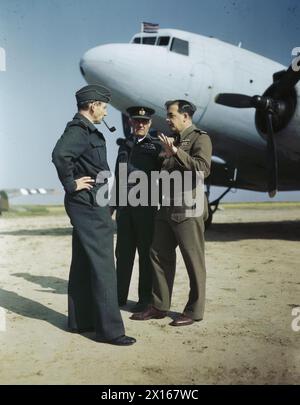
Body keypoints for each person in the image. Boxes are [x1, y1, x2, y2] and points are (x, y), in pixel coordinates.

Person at [52, 84, 136, 345]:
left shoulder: (84, 129)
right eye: (103, 106)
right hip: (88, 204)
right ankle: (110, 331)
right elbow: (59, 155)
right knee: (103, 266)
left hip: (87, 203)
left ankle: (80, 321)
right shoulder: (80, 130)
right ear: (92, 105)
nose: (105, 111)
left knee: (83, 262)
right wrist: (71, 183)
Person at [131, 99, 212, 326]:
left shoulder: (200, 138)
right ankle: (159, 306)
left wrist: (176, 152)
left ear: (185, 116)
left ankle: (194, 311)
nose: (167, 119)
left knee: (193, 260)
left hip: (188, 208)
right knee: (157, 254)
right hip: (166, 208)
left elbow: (202, 169)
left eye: (171, 115)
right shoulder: (171, 140)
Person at [114, 106, 162, 312]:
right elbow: (119, 178)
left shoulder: (156, 147)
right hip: (125, 210)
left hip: (145, 208)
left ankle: (144, 300)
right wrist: (112, 207)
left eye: (144, 122)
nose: (140, 124)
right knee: (123, 254)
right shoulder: (123, 147)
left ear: (150, 123)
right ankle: (118, 297)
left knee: (145, 254)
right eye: (136, 121)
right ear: (131, 123)